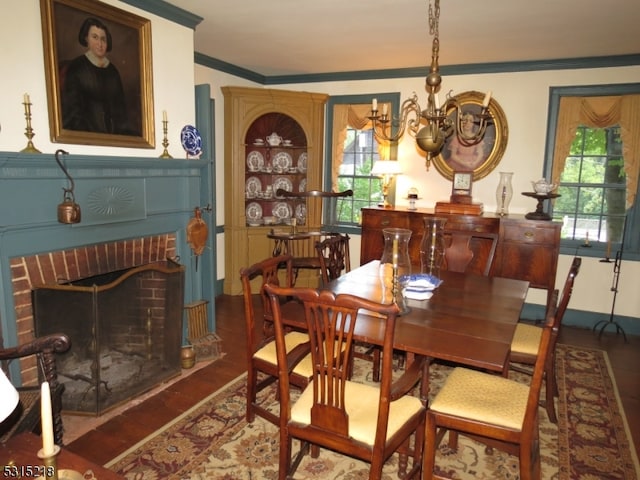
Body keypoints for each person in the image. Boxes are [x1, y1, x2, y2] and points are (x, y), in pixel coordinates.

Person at [60, 17, 132, 135]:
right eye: (95, 37)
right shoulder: (77, 67)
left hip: (115, 137)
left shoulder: (113, 71)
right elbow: (73, 112)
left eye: (103, 39)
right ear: (86, 39)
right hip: (86, 135)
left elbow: (121, 111)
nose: (100, 43)